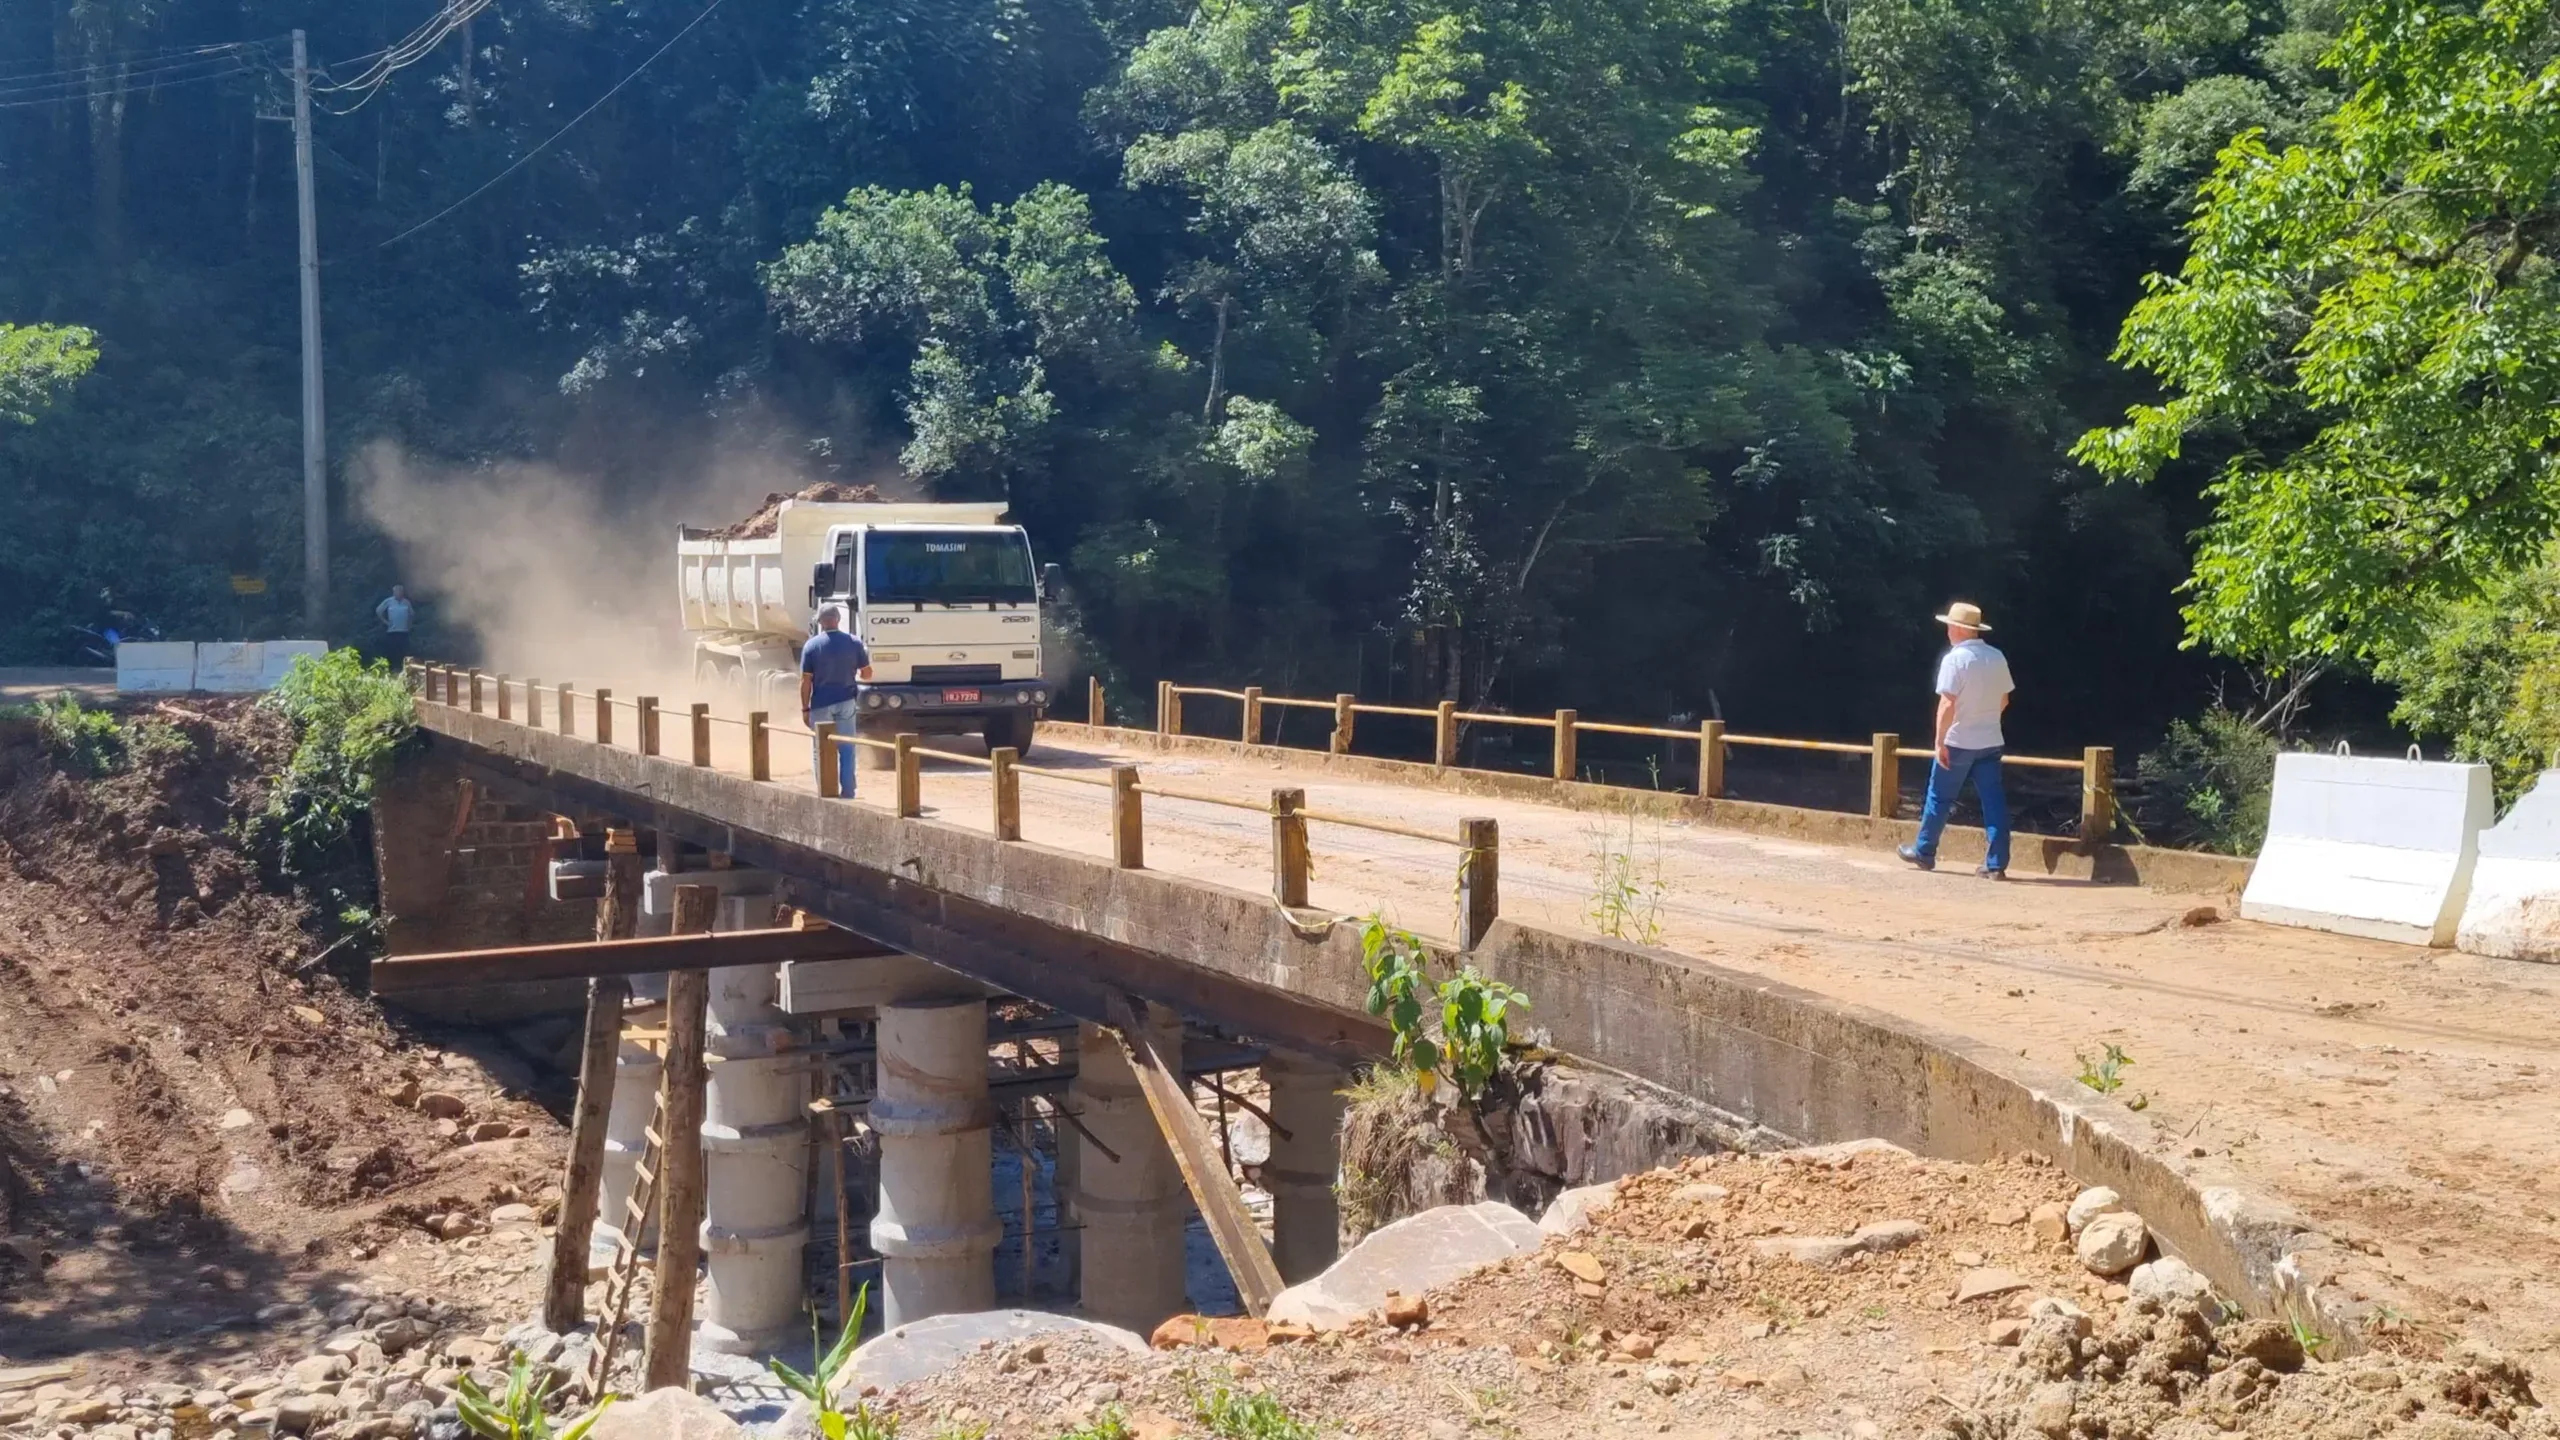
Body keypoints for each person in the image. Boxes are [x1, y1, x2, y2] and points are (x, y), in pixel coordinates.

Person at [1899, 600, 2014, 878]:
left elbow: (1947, 704)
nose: (1948, 630)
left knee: (1939, 797)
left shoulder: (1955, 659)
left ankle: (1925, 852)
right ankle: (1996, 864)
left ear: (1959, 629)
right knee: (1993, 800)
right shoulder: (1997, 657)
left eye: (1950, 625)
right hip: (1990, 740)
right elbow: (2004, 700)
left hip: (1958, 740)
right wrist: (1985, 720)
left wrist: (1939, 742)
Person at [800, 605, 873, 798]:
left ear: (821, 622)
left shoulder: (811, 646)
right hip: (846, 701)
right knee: (847, 746)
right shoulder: (854, 642)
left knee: (820, 748)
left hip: (820, 704)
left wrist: (805, 709)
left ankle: (825, 790)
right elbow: (867, 675)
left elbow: (805, 681)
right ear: (838, 619)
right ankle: (848, 791)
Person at [374, 585, 415, 673]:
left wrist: (409, 625)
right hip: (392, 631)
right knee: (393, 651)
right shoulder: (389, 601)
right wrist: (385, 622)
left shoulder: (406, 602)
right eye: (397, 592)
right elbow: (378, 611)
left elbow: (411, 614)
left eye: (400, 592)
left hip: (404, 631)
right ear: (394, 593)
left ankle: (404, 670)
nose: (399, 593)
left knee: (403, 651)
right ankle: (392, 670)